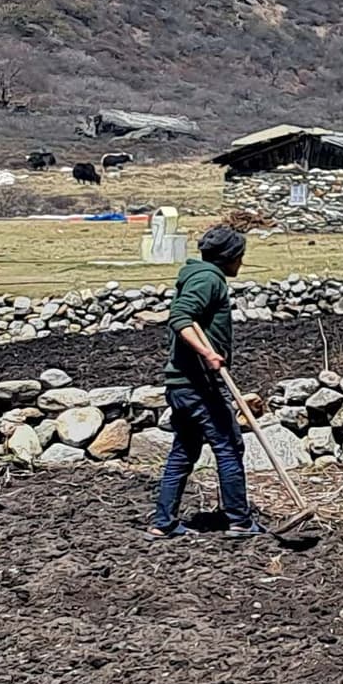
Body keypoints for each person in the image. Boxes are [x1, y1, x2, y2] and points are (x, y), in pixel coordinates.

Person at [150, 223, 264, 540]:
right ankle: (240, 520)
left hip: (182, 384)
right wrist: (208, 354)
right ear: (228, 257)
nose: (241, 262)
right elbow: (180, 317)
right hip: (198, 384)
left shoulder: (201, 276)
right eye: (239, 256)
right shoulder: (207, 279)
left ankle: (164, 521)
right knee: (228, 444)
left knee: (184, 450)